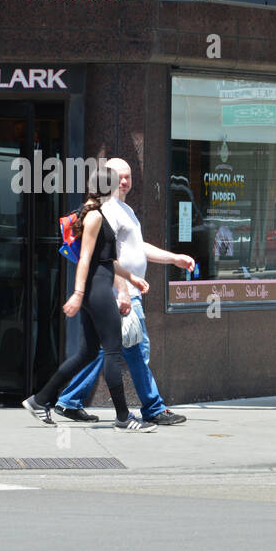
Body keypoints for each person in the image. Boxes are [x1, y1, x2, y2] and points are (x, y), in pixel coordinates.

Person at [52, 158, 195, 425]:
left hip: (122, 292)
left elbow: (138, 249)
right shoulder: (107, 211)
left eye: (129, 176)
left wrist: (174, 258)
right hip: (119, 293)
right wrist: (123, 292)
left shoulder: (124, 209)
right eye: (120, 176)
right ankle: (153, 408)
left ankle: (68, 401)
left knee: (106, 351)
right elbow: (107, 256)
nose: (126, 181)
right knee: (137, 350)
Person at [23, 167, 156, 431]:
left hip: (99, 286)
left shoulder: (101, 214)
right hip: (96, 290)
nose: (122, 185)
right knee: (113, 351)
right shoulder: (95, 216)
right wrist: (79, 294)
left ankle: (40, 401)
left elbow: (106, 259)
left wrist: (131, 279)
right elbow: (85, 258)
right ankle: (123, 417)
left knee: (87, 353)